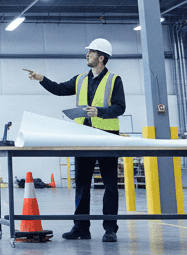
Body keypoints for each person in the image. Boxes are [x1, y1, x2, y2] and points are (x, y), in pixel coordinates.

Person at [24, 38, 125, 243]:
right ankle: (81, 228)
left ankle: (110, 229)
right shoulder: (80, 79)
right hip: (83, 137)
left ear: (102, 57)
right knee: (81, 184)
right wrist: (41, 78)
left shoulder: (115, 80)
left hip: (106, 137)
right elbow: (60, 89)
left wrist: (100, 111)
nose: (87, 55)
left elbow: (120, 107)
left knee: (110, 185)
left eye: (91, 52)